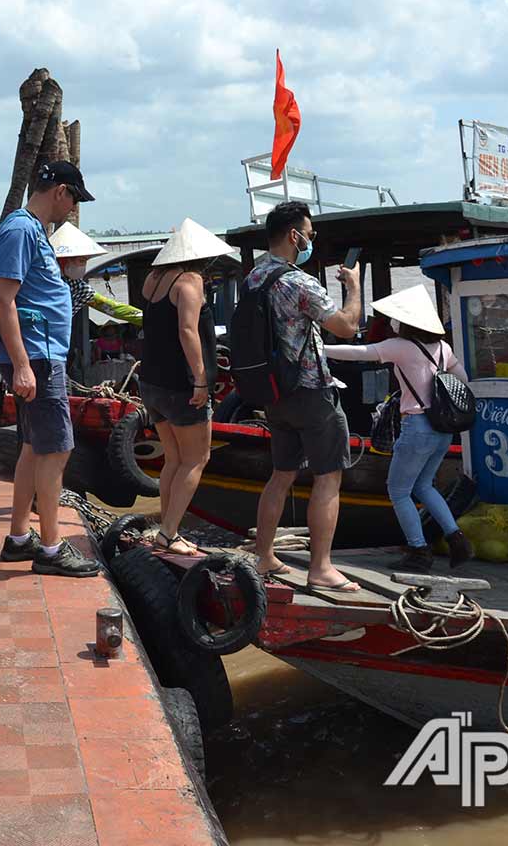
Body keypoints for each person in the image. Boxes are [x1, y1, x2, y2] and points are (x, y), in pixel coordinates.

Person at [0, 161, 100, 578]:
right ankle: (52, 546)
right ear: (60, 191)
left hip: (37, 355)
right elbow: (4, 299)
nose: (71, 209)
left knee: (35, 447)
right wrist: (21, 365)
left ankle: (20, 536)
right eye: (73, 199)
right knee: (57, 448)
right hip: (35, 356)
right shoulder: (21, 230)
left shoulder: (29, 228)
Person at [0, 221, 108, 517]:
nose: (83, 265)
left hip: (33, 359)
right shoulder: (30, 274)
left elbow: (113, 309)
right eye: (79, 260)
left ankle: (38, 499)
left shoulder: (76, 288)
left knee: (34, 435)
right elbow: (3, 303)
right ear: (62, 260)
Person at [249, 201, 363, 592]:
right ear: (294, 235)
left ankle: (263, 556)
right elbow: (346, 326)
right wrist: (354, 287)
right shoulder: (298, 281)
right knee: (328, 477)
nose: (311, 241)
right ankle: (322, 567)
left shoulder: (255, 276)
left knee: (280, 475)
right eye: (310, 235)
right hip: (312, 391)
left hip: (274, 392)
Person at [325, 286, 474, 571]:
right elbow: (462, 380)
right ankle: (457, 540)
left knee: (399, 491)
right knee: (424, 486)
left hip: (416, 426)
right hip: (442, 429)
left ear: (406, 322)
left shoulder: (401, 347)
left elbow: (359, 354)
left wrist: (319, 349)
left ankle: (419, 550)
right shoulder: (443, 348)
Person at [140, 219, 230, 556]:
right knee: (196, 459)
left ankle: (167, 527)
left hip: (151, 381)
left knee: (174, 459)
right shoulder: (189, 282)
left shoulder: (154, 279)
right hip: (181, 383)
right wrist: (202, 379)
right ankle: (168, 533)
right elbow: (188, 332)